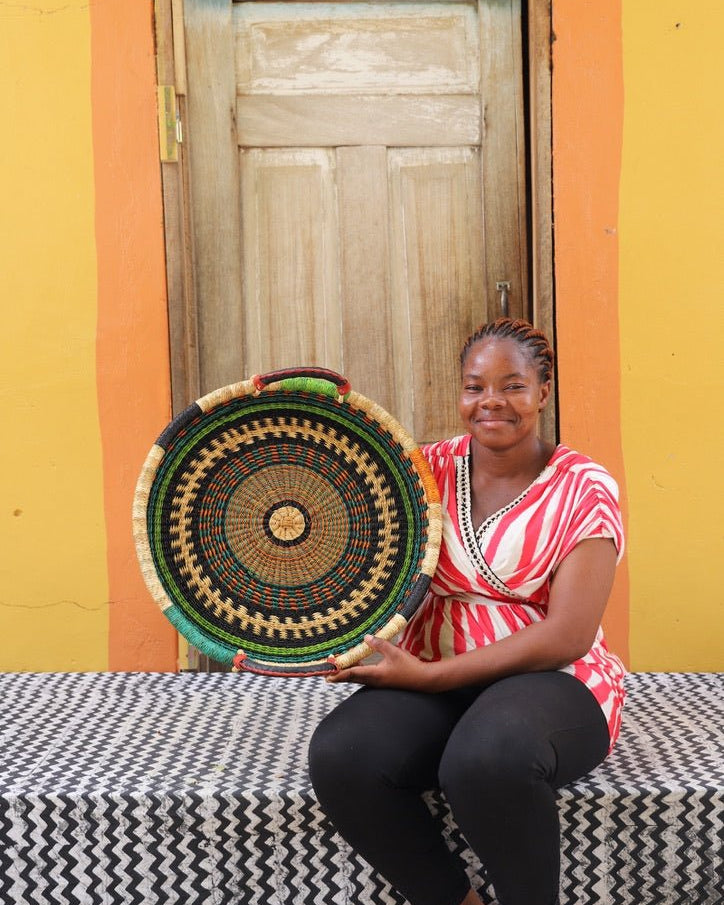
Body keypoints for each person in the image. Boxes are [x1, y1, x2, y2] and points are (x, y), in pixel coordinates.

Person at [308, 317, 625, 905]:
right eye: (475, 387)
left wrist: (428, 678)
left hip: (550, 676)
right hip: (434, 665)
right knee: (342, 756)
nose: (491, 402)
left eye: (513, 386)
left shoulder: (583, 487)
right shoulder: (423, 470)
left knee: (485, 761)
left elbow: (569, 635)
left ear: (543, 393)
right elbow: (361, 561)